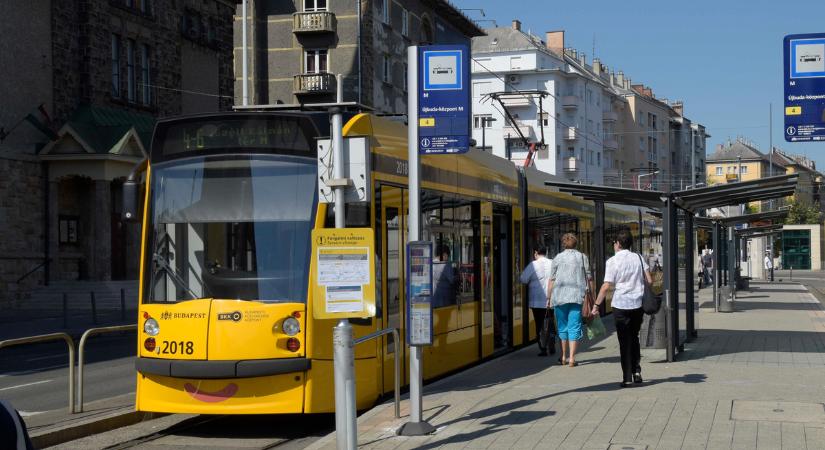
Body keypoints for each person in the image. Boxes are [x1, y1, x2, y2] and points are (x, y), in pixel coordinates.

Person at [592, 230, 652, 388]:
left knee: (624, 341)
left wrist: (596, 305)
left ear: (618, 244)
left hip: (620, 305)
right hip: (637, 304)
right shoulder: (638, 257)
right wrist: (637, 287)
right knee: (634, 337)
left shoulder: (612, 261)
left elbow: (606, 286)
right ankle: (637, 372)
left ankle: (627, 378)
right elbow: (650, 280)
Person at [547, 233, 590, 367]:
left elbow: (552, 279)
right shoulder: (582, 257)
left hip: (559, 297)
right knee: (574, 327)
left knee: (562, 327)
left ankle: (563, 356)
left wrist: (548, 297)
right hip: (577, 297)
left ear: (563, 244)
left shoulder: (557, 258)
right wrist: (592, 295)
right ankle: (572, 358)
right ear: (576, 244)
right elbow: (589, 278)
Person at [520, 247, 554, 356]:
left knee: (539, 324)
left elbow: (523, 279)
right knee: (550, 322)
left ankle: (543, 348)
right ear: (546, 252)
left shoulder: (533, 265)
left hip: (537, 301)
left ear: (535, 253)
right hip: (551, 299)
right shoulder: (552, 263)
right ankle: (551, 344)